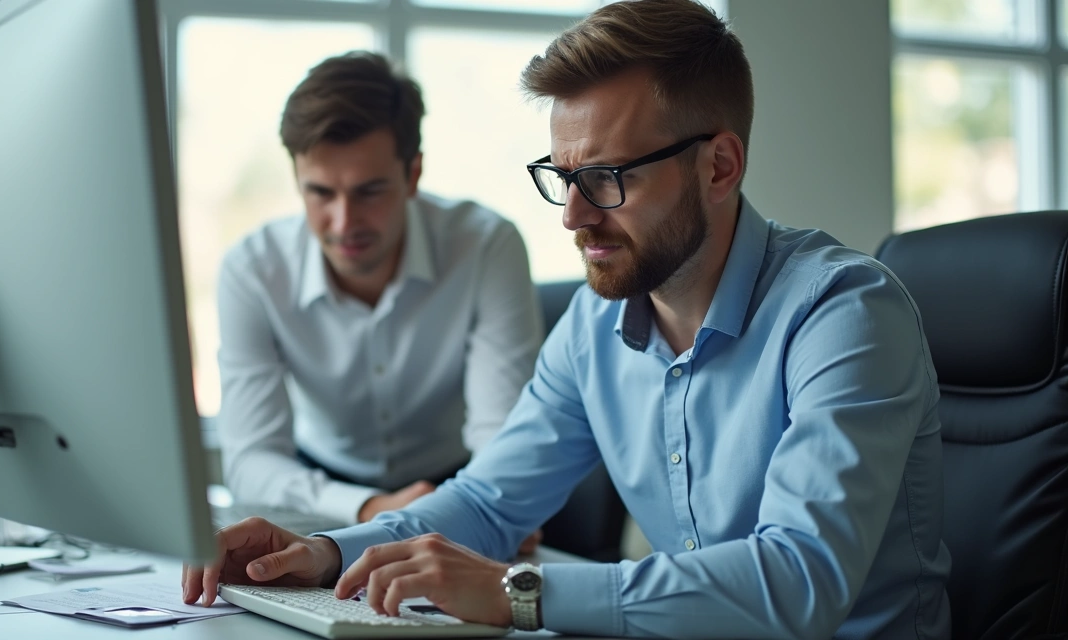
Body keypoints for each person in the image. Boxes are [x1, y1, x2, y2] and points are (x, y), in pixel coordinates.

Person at [187, 2, 952, 638]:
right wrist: (324, 553)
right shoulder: (595, 326)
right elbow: (488, 503)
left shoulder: (844, 313)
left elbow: (801, 580)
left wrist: (519, 594)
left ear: (719, 166)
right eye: (563, 178)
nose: (573, 217)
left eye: (608, 178)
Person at [215, 51, 544, 532]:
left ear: (413, 175)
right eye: (320, 193)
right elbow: (250, 461)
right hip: (319, 495)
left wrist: (494, 506)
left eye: (369, 191)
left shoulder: (487, 246)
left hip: (464, 483)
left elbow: (500, 433)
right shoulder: (253, 270)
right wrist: (371, 509)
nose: (343, 222)